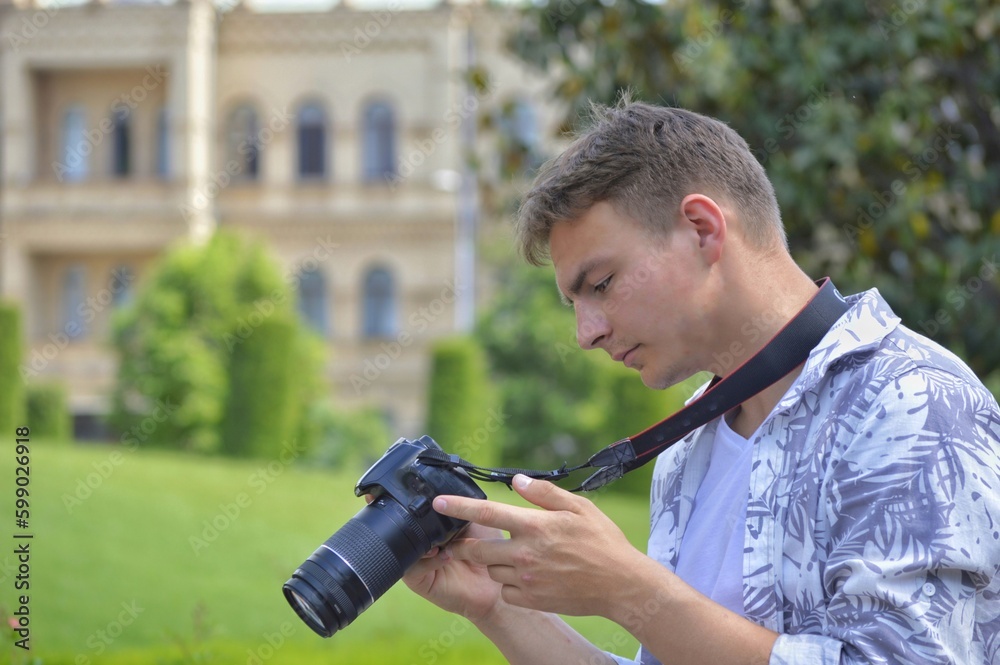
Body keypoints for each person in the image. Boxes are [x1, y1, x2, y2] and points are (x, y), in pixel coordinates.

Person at [403, 99, 1000, 664]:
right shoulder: (691, 446)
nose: (586, 333)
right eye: (573, 302)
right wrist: (494, 604)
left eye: (601, 284)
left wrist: (633, 593)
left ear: (702, 229)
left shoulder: (914, 404)